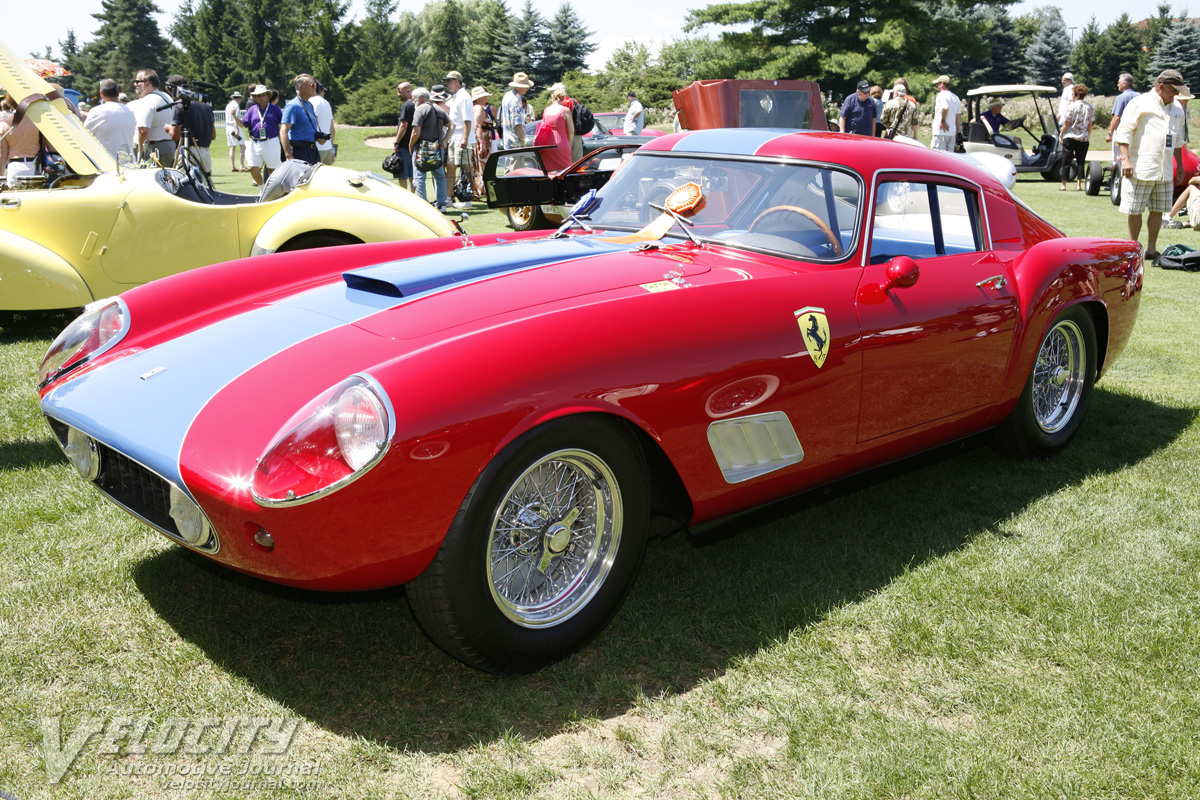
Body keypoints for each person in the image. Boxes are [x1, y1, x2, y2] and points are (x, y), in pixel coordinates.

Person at [1114, 69, 1188, 261]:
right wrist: (1126, 159)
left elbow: (1178, 140)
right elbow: (1124, 132)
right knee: (1135, 209)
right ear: (1161, 86)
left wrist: (1179, 165)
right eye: (1173, 90)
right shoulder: (1140, 103)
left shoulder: (1177, 108)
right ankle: (1133, 248)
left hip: (1164, 170)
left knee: (1158, 209)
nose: (1176, 94)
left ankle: (1151, 249)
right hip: (1140, 167)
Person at [165, 74, 215, 176]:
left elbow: (175, 136)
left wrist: (168, 128)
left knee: (185, 186)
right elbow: (213, 135)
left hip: (187, 150)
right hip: (205, 152)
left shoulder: (178, 105)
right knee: (205, 186)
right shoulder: (206, 106)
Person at [409, 86, 450, 210]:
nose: (412, 101)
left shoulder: (420, 109)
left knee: (419, 177)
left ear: (420, 98)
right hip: (437, 148)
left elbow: (416, 132)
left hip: (422, 148)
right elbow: (452, 125)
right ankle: (442, 204)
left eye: (413, 99)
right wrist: (445, 140)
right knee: (439, 176)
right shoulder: (438, 109)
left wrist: (410, 145)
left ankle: (423, 205)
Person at [128, 68, 176, 165]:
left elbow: (143, 131)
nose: (135, 84)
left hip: (155, 150)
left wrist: (141, 155)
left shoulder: (147, 101)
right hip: (169, 147)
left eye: (138, 82)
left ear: (147, 83)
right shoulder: (166, 97)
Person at [238, 84, 283, 186]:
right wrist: (235, 118)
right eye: (258, 96)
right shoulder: (252, 109)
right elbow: (244, 124)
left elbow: (284, 123)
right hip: (255, 142)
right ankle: (262, 189)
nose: (261, 97)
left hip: (271, 141)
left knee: (273, 170)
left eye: (263, 95)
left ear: (267, 96)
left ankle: (275, 190)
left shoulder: (275, 109)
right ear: (255, 97)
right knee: (252, 168)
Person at [84, 78, 137, 160]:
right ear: (118, 92)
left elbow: (84, 135)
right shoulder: (130, 111)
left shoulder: (96, 112)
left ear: (101, 94)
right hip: (129, 162)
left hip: (107, 164)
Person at [279, 74, 325, 165]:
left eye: (315, 85)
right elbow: (283, 131)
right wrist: (288, 156)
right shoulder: (293, 106)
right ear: (301, 88)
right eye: (312, 85)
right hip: (299, 151)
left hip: (312, 151)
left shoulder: (309, 104)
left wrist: (318, 138)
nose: (315, 87)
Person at [443, 70, 473, 208]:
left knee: (465, 168)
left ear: (456, 81)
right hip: (454, 138)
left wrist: (465, 138)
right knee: (450, 167)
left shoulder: (464, 96)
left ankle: (466, 198)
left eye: (448, 81)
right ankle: (449, 197)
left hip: (461, 138)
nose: (447, 84)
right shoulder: (455, 96)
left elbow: (467, 120)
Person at [1058, 83, 1094, 191]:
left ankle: (1064, 184)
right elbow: (1090, 124)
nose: (1072, 96)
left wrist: (1061, 134)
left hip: (1070, 136)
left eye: (1073, 94)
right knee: (1081, 161)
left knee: (1066, 160)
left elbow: (1067, 123)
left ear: (1077, 94)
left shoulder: (1071, 106)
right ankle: (1079, 184)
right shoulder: (1089, 107)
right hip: (1083, 138)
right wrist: (1088, 135)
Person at [0, 93, 40, 187]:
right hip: (36, 165)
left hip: (15, 166)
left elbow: (3, 155)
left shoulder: (4, 124)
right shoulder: (39, 123)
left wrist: (1, 176)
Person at [533, 84, 575, 172]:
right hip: (562, 143)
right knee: (565, 171)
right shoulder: (565, 110)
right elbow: (571, 131)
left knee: (548, 172)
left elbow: (543, 128)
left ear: (553, 95)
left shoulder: (546, 110)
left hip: (548, 144)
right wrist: (568, 142)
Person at [1106, 74, 1139, 169]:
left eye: (1119, 83)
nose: (1117, 85)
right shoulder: (1139, 96)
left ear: (1124, 84)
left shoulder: (1121, 97)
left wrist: (1110, 133)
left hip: (1122, 130)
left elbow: (1117, 117)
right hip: (1136, 130)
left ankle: (1116, 175)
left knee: (1117, 155)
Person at [392, 82, 415, 191]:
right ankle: (414, 197)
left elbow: (403, 126)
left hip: (404, 145)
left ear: (408, 91)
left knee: (402, 174)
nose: (398, 94)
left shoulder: (406, 105)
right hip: (413, 143)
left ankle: (406, 197)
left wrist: (396, 143)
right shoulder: (416, 104)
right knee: (413, 175)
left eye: (400, 91)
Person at [500, 72, 533, 149]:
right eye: (525, 86)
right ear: (517, 86)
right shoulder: (515, 100)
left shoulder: (507, 95)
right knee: (517, 161)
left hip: (508, 140)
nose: (527, 88)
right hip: (515, 143)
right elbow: (517, 123)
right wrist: (523, 141)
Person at [471, 86, 493, 197]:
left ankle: (479, 189)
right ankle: (482, 190)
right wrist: (481, 142)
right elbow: (477, 126)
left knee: (479, 164)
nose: (486, 98)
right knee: (482, 165)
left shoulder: (474, 107)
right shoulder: (479, 108)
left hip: (482, 138)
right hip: (483, 138)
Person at [930, 74, 960, 152]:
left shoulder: (940, 95)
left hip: (941, 132)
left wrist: (942, 121)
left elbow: (945, 107)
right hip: (952, 133)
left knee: (937, 158)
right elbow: (958, 116)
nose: (937, 86)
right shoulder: (956, 97)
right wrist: (957, 131)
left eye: (938, 84)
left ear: (942, 84)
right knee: (949, 159)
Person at [311, 81, 336, 165]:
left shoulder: (311, 101)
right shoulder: (327, 103)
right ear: (321, 90)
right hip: (327, 147)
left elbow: (312, 122)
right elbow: (332, 129)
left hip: (316, 147)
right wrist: (332, 150)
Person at [225, 90, 247, 172]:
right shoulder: (236, 106)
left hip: (228, 127)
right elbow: (235, 118)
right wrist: (237, 130)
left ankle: (233, 166)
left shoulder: (228, 105)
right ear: (239, 98)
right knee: (242, 145)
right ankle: (241, 165)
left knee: (232, 147)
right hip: (234, 127)